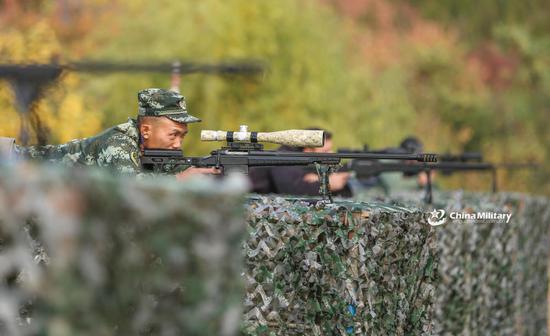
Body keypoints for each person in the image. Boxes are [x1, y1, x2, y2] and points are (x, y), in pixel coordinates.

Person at [15, 88, 218, 180]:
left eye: (182, 136)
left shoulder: (157, 151)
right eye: (173, 135)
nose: (178, 144)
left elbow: (184, 170)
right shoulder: (118, 142)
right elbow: (135, 189)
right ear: (146, 130)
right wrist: (182, 179)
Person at [249, 129, 352, 197]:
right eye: (325, 151)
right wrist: (327, 184)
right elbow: (291, 190)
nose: (331, 154)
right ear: (308, 149)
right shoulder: (285, 157)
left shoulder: (303, 161)